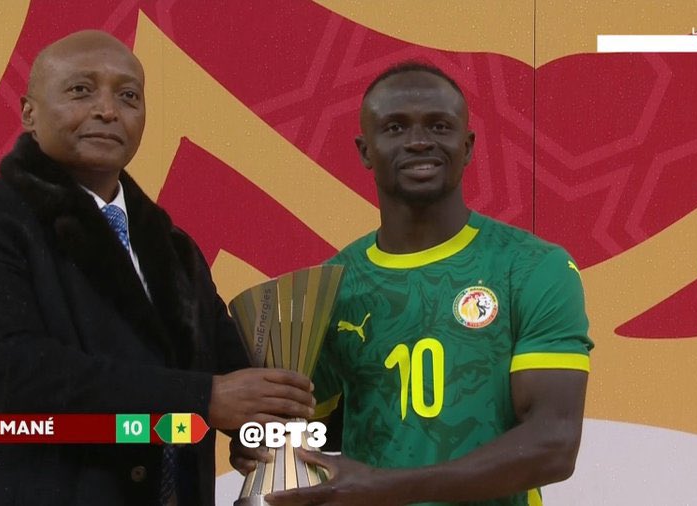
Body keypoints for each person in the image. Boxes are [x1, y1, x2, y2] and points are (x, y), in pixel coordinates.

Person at [0, 30, 314, 506]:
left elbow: (230, 374)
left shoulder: (175, 249)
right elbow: (14, 374)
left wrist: (262, 429)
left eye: (128, 96)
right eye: (81, 90)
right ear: (29, 113)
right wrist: (204, 399)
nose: (107, 110)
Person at [232, 62, 593, 506]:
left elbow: (553, 444)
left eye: (439, 126)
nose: (419, 141)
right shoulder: (332, 288)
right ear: (365, 150)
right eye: (395, 127)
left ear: (468, 146)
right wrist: (263, 444)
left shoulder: (533, 267)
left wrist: (386, 488)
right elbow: (309, 427)